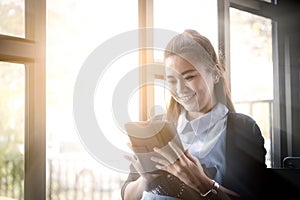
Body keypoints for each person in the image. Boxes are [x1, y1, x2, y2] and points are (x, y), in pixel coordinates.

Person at [121, 29, 267, 200]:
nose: (180, 89)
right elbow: (127, 196)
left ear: (215, 73)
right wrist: (146, 180)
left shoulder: (243, 128)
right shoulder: (158, 125)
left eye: (189, 77)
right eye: (172, 80)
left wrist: (200, 182)